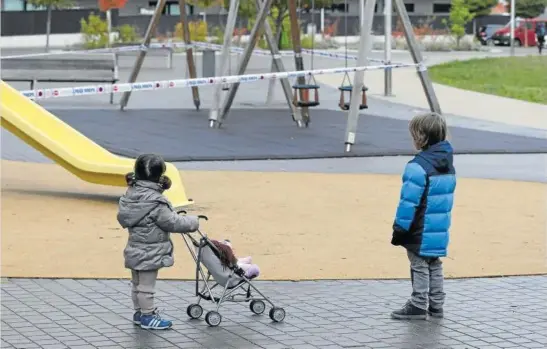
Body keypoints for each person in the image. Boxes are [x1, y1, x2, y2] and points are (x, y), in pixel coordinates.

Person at [117, 154, 200, 330]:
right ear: (159, 176)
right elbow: (172, 222)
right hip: (150, 251)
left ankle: (139, 313)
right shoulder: (156, 202)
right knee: (147, 287)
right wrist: (194, 221)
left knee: (137, 284)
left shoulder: (130, 195)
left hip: (134, 248)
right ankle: (148, 316)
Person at [390, 112, 456, 320]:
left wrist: (399, 228)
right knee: (434, 263)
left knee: (418, 264)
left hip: (418, 228)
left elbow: (408, 203)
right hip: (438, 228)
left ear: (421, 137)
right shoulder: (448, 164)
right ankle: (436, 305)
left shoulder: (417, 167)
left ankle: (418, 304)